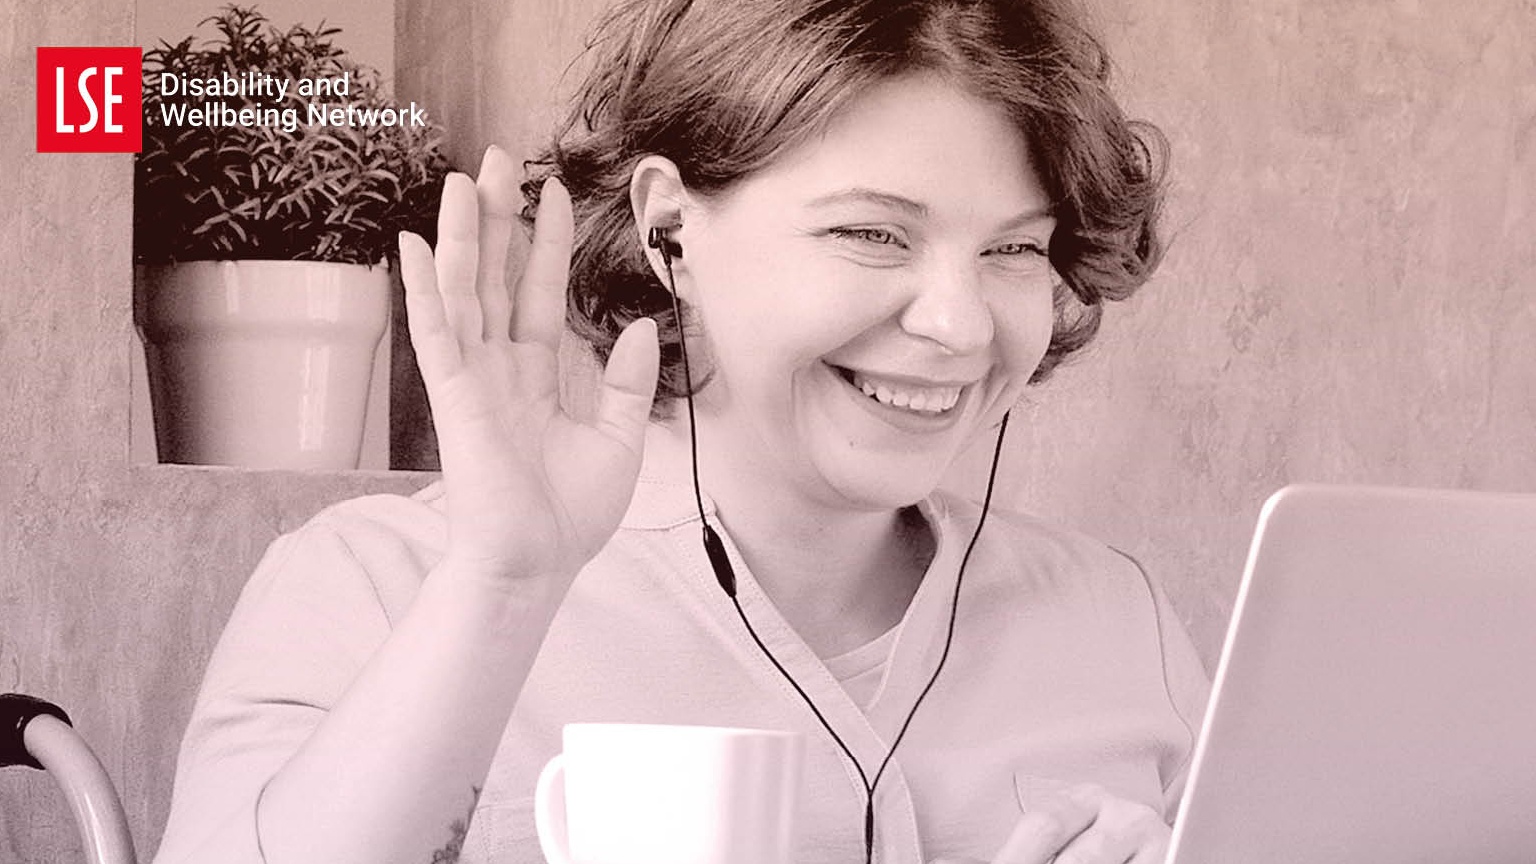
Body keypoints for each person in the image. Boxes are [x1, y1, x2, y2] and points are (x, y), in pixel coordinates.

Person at [152, 0, 1208, 862]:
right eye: (873, 233)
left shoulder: (1118, 620)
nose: (961, 324)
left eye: (1014, 251)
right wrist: (500, 587)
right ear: (672, 231)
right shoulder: (371, 587)